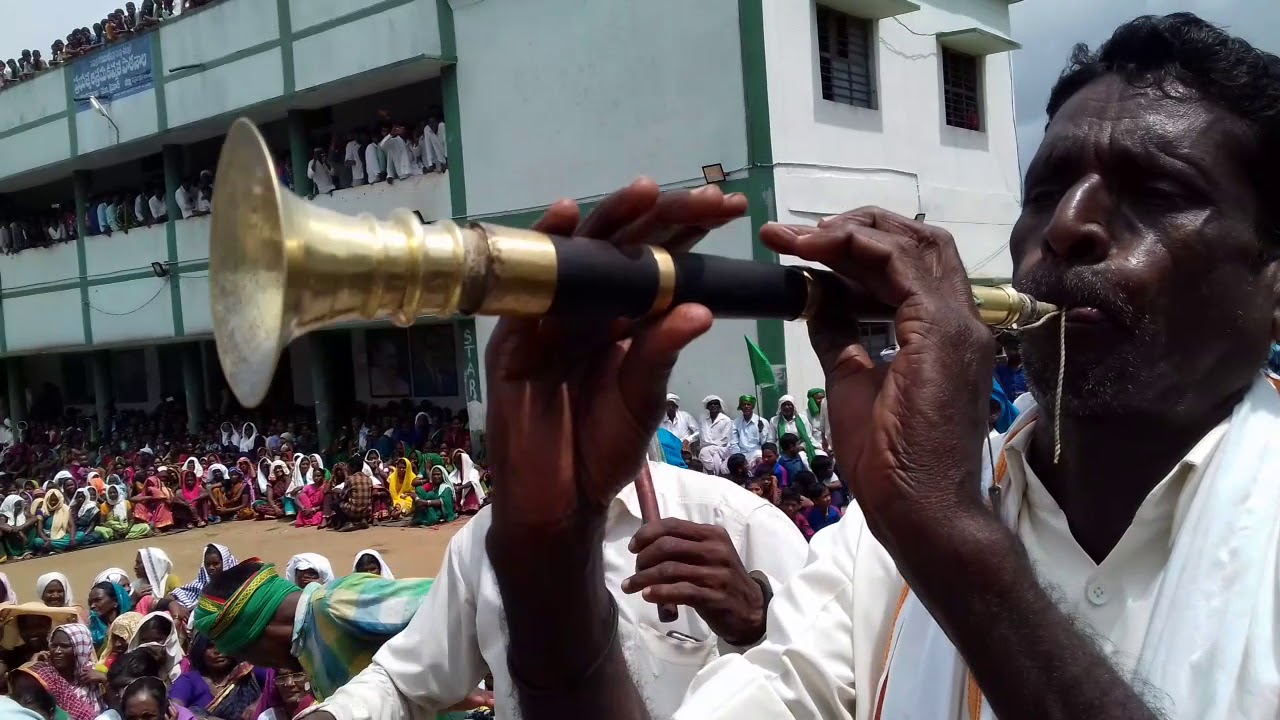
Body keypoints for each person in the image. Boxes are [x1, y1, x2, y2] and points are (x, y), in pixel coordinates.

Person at [481, 13, 1280, 720]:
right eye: (1046, 190)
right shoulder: (878, 544)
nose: (1068, 228)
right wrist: (548, 558)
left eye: (1157, 191)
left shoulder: (924, 524)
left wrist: (951, 545)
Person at [194, 559, 434, 701]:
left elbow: (454, 603)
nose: (262, 665)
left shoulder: (335, 603)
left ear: (255, 634)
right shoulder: (307, 648)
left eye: (246, 655)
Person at [171, 633, 270, 719]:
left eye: (222, 644)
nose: (217, 651)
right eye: (210, 646)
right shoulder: (190, 680)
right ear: (200, 652)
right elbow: (175, 709)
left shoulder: (248, 672)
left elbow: (277, 684)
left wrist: (259, 702)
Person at [47, 624, 104, 719]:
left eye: (65, 646)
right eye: (54, 645)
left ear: (80, 648)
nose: (57, 651)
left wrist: (105, 680)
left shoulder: (96, 677)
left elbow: (117, 710)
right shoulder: (47, 677)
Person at [10, 661, 99, 720]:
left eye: (30, 697)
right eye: (18, 695)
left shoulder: (83, 715)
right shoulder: (11, 710)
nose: (22, 701)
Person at [171, 544, 237, 612]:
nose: (211, 568)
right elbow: (173, 596)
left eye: (216, 563)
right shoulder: (200, 586)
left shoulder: (238, 586)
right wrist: (176, 606)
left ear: (226, 563)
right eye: (208, 564)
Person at [126, 613, 183, 682]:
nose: (150, 645)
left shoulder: (181, 671)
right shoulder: (129, 670)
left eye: (157, 640)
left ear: (170, 639)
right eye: (145, 640)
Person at [768, 395, 816, 463]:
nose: (787, 407)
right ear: (780, 407)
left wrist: (800, 447)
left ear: (793, 406)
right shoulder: (774, 420)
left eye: (789, 404)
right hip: (781, 450)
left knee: (803, 460)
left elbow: (808, 438)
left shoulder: (803, 419)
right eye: (784, 405)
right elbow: (771, 440)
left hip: (799, 449)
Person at [86, 583, 132, 651]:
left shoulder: (130, 625)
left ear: (115, 601)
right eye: (90, 602)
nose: (92, 606)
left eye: (98, 600)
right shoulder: (94, 631)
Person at [695, 395, 732, 475]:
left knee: (704, 452)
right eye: (711, 404)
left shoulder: (726, 420)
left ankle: (711, 474)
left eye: (716, 404)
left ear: (719, 406)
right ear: (707, 407)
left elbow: (725, 440)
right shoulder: (703, 419)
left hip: (722, 448)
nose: (713, 406)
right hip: (706, 449)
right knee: (712, 458)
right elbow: (701, 435)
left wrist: (709, 447)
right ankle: (713, 475)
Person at [728, 395, 768, 466]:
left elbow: (764, 443)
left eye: (748, 404)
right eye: (744, 404)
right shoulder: (735, 422)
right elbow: (733, 443)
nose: (746, 406)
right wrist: (739, 457)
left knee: (760, 461)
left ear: (752, 406)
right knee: (724, 467)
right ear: (741, 407)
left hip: (756, 452)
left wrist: (761, 431)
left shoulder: (762, 421)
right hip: (740, 453)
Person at [447, 450, 486, 514]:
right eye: (456, 463)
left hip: (469, 493)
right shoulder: (456, 472)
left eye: (459, 463)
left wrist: (460, 487)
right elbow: (451, 480)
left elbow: (473, 482)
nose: (457, 465)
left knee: (471, 489)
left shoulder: (473, 471)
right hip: (460, 494)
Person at [0, 494, 37, 559]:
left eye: (19, 505)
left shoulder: (22, 513)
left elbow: (34, 518)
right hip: (13, 538)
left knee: (33, 528)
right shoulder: (4, 515)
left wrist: (21, 527)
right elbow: (1, 525)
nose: (19, 507)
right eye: (16, 505)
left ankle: (27, 551)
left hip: (24, 537)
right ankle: (14, 554)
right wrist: (15, 531)